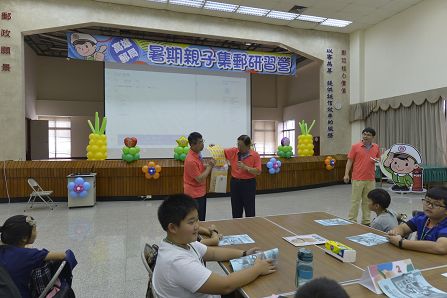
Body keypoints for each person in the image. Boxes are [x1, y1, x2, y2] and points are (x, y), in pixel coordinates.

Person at [152, 194, 276, 298]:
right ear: (172, 227)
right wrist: (257, 269)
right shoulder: (177, 262)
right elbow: (225, 286)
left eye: (197, 220)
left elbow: (213, 253)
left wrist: (244, 253)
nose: (197, 226)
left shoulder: (179, 243)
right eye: (191, 222)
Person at [0, 215, 69, 298]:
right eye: (34, 230)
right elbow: (63, 255)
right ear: (24, 238)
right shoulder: (28, 255)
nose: (37, 232)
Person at [387, 187, 447, 254]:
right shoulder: (421, 217)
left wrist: (402, 243)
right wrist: (395, 233)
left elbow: (440, 247)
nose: (429, 206)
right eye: (427, 201)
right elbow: (403, 228)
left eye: (436, 204)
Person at [344, 127, 380, 225]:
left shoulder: (376, 147)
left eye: (368, 135)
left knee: (368, 201)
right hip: (357, 178)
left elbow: (378, 159)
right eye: (364, 134)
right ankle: (352, 220)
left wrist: (377, 160)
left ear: (373, 137)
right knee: (355, 201)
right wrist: (346, 174)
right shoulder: (355, 146)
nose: (365, 136)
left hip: (371, 179)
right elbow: (349, 161)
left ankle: (366, 221)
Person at [223, 135, 261, 218]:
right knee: (236, 209)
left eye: (241, 145)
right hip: (235, 183)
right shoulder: (234, 151)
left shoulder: (255, 155)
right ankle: (237, 227)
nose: (238, 147)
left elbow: (258, 171)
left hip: (249, 184)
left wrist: (246, 168)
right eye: (238, 144)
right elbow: (221, 152)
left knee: (249, 209)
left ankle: (250, 228)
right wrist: (214, 148)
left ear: (248, 146)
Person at [184, 132, 215, 221]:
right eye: (200, 142)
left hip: (200, 192)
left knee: (201, 218)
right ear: (193, 144)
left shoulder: (197, 154)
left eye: (203, 141)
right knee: (196, 220)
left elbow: (199, 168)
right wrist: (209, 167)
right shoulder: (191, 160)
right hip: (194, 195)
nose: (203, 144)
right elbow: (200, 179)